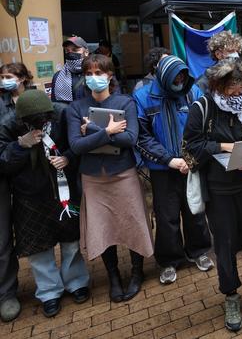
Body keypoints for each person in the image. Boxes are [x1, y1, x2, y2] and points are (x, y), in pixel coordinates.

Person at [183, 59, 242, 331]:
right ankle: (231, 295)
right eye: (231, 85)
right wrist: (225, 146)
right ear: (218, 84)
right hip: (221, 191)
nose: (238, 91)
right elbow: (191, 147)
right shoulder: (204, 108)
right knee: (225, 246)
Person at [67, 54, 153, 303]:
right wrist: (106, 131)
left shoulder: (125, 103)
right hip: (93, 179)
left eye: (99, 73)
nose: (94, 78)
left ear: (109, 75)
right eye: (89, 73)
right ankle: (113, 277)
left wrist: (91, 131)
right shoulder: (76, 107)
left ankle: (137, 273)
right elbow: (76, 146)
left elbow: (130, 139)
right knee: (103, 228)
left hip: (123, 174)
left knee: (132, 222)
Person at [0, 90, 90, 318]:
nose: (41, 122)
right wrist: (20, 145)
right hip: (28, 195)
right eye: (33, 120)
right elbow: (3, 163)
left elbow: (78, 144)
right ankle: (49, 292)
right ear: (21, 119)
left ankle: (76, 281)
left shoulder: (62, 114)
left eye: (44, 117)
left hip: (63, 189)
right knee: (38, 247)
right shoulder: (8, 124)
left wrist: (68, 157)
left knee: (71, 239)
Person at [133, 55, 213, 284]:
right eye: (175, 77)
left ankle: (198, 250)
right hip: (162, 168)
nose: (179, 80)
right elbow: (141, 136)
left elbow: (205, 127)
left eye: (182, 76)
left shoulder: (193, 93)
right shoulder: (143, 97)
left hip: (191, 165)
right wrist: (169, 159)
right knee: (166, 216)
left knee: (195, 211)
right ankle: (169, 260)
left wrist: (191, 158)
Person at [0, 62, 33, 321]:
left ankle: (6, 293)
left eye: (9, 76)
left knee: (4, 241)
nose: (4, 80)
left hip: (18, 173)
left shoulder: (30, 100)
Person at [195, 31, 242, 96]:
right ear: (218, 54)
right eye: (231, 51)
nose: (236, 55)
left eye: (237, 51)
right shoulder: (207, 79)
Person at [52, 36, 90, 103]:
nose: (71, 53)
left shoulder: (96, 73)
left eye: (75, 50)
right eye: (67, 51)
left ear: (86, 52)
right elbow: (55, 104)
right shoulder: (58, 76)